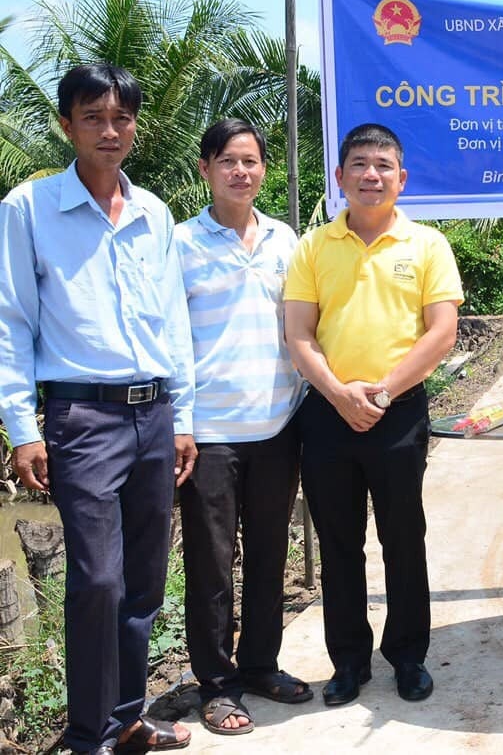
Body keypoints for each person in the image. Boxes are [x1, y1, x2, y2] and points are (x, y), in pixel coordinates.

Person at [0, 63, 195, 754]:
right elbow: (12, 321)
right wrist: (24, 428)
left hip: (155, 413)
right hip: (82, 419)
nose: (109, 131)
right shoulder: (30, 209)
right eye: (93, 118)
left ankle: (128, 720)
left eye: (121, 118)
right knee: (98, 582)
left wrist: (184, 417)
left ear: (135, 125)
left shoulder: (154, 213)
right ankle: (89, 737)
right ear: (66, 125)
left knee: (143, 583)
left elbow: (173, 322)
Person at [284, 123, 463, 707]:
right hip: (328, 416)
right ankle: (349, 664)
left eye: (383, 165)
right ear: (339, 177)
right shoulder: (312, 247)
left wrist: (381, 394)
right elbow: (299, 334)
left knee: (403, 539)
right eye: (359, 164)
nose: (370, 175)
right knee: (339, 544)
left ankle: (408, 657)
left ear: (401, 178)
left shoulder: (428, 245)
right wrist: (339, 394)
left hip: (399, 414)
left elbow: (441, 333)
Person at [174, 119, 311, 735]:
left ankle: (260, 665)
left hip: (278, 423)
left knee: (267, 553)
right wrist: (179, 424)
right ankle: (218, 684)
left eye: (251, 161)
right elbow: (168, 340)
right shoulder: (179, 244)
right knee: (209, 563)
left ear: (263, 169)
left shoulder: (287, 239)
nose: (241, 172)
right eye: (228, 160)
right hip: (210, 431)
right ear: (206, 169)